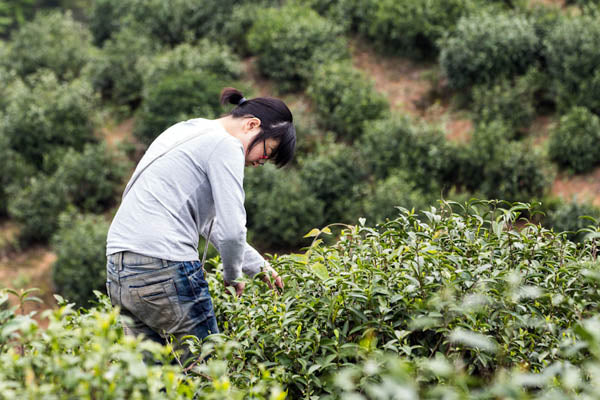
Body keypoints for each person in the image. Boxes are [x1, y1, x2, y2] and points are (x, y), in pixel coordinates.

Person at [105, 87, 295, 362]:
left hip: (120, 268)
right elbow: (232, 230)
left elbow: (210, 223)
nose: (259, 162)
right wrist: (233, 276)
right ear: (252, 124)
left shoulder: (184, 130)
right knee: (206, 372)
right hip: (164, 266)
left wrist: (257, 265)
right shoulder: (226, 144)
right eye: (268, 152)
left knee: (152, 382)